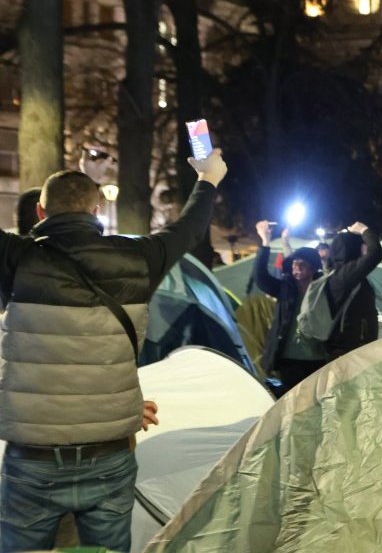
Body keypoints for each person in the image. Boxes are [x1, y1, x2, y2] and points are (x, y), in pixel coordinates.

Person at [0, 149, 227, 552]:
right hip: (109, 455)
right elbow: (189, 229)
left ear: (40, 211)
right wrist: (208, 179)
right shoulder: (138, 258)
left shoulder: (16, 259)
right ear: (97, 209)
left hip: (32, 461)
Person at [254, 220, 325, 394]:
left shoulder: (323, 290)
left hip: (317, 359)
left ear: (313, 268)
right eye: (294, 263)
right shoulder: (286, 288)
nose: (297, 267)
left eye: (302, 264)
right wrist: (265, 242)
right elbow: (260, 278)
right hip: (289, 359)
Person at [321, 225, 382, 359]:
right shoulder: (346, 274)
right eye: (361, 245)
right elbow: (375, 254)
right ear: (352, 249)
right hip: (348, 350)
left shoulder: (340, 274)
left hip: (348, 347)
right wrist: (364, 230)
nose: (365, 249)